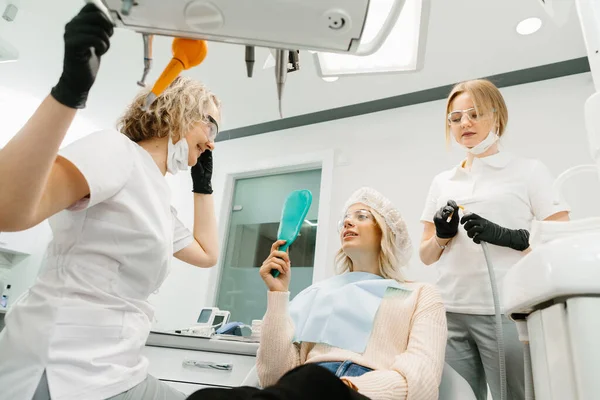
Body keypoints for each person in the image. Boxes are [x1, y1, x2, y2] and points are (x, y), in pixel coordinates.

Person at [0, 4, 221, 400]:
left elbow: (207, 254)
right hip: (65, 367)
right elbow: (7, 209)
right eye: (211, 123)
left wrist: (202, 187)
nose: (213, 139)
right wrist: (69, 91)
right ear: (178, 111)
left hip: (114, 368)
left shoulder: (155, 193)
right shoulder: (116, 151)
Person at [419, 79, 570, 400]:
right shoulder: (443, 181)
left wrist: (511, 237)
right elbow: (426, 255)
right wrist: (443, 238)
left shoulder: (528, 171)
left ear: (497, 116)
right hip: (450, 312)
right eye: (456, 118)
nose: (465, 124)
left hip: (506, 311)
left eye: (474, 114)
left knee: (513, 395)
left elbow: (561, 240)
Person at [253, 187, 447, 400]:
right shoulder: (318, 293)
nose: (347, 222)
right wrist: (278, 294)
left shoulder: (420, 295)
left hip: (361, 391)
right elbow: (273, 378)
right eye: (345, 218)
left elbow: (422, 379)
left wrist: (346, 388)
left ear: (387, 231)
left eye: (362, 216)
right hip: (305, 385)